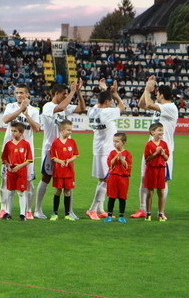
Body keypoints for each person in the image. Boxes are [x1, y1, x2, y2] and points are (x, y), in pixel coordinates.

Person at [36, 81, 85, 220]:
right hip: (51, 149)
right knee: (46, 178)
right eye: (63, 94)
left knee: (68, 180)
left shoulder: (65, 106)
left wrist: (78, 92)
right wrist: (72, 92)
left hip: (66, 150)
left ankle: (70, 211)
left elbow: (82, 108)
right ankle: (37, 209)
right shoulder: (48, 106)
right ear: (56, 93)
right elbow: (60, 108)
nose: (65, 96)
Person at [130, 76, 178, 219]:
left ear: (161, 95)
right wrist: (147, 88)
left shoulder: (170, 107)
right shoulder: (161, 108)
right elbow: (142, 105)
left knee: (163, 180)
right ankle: (142, 209)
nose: (156, 95)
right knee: (144, 177)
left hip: (164, 149)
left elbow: (149, 104)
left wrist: (147, 89)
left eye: (157, 93)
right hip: (151, 147)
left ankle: (161, 211)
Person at [0, 84, 40, 220]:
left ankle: (28, 210)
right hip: (9, 150)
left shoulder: (34, 110)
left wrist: (26, 114)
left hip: (26, 152)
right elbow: (5, 120)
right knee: (4, 181)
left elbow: (37, 128)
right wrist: (21, 109)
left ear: (27, 95)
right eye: (17, 93)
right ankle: (3, 209)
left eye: (21, 93)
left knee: (28, 182)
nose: (19, 95)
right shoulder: (11, 106)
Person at [86, 79, 125, 220]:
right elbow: (122, 107)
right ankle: (92, 209)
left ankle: (101, 209)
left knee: (102, 179)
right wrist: (115, 94)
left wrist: (104, 90)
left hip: (98, 148)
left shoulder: (92, 110)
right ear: (108, 102)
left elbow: (100, 101)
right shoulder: (107, 112)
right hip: (106, 150)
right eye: (110, 101)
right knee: (106, 180)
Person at [0, 122, 34, 221]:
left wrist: (19, 166)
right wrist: (8, 165)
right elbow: (4, 158)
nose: (12, 133)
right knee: (10, 192)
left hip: (21, 172)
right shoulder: (8, 144)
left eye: (15, 131)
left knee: (21, 192)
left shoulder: (26, 144)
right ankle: (8, 213)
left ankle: (22, 214)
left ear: (21, 132)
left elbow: (29, 159)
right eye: (12, 130)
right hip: (11, 172)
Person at [48, 120, 79, 221]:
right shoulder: (55, 143)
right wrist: (60, 161)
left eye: (71, 130)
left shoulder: (72, 142)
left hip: (69, 172)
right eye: (68, 130)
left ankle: (67, 214)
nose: (70, 132)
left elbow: (76, 155)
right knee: (57, 191)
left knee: (68, 191)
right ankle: (55, 213)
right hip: (59, 172)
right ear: (61, 130)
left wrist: (68, 160)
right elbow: (52, 157)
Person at [143, 122, 170, 222]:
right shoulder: (148, 145)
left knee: (161, 192)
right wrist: (155, 153)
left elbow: (166, 158)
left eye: (162, 130)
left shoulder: (164, 144)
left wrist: (162, 154)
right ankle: (148, 213)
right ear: (152, 132)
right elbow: (147, 159)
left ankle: (161, 213)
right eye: (159, 130)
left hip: (161, 169)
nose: (161, 132)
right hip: (151, 169)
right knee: (150, 192)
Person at [103, 132, 132, 223]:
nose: (115, 143)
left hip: (123, 178)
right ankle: (109, 216)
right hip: (113, 177)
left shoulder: (127, 153)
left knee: (122, 197)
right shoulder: (112, 153)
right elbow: (110, 164)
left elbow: (128, 166)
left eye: (117, 141)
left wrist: (122, 159)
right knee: (111, 197)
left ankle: (121, 216)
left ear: (123, 142)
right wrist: (116, 157)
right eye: (114, 141)